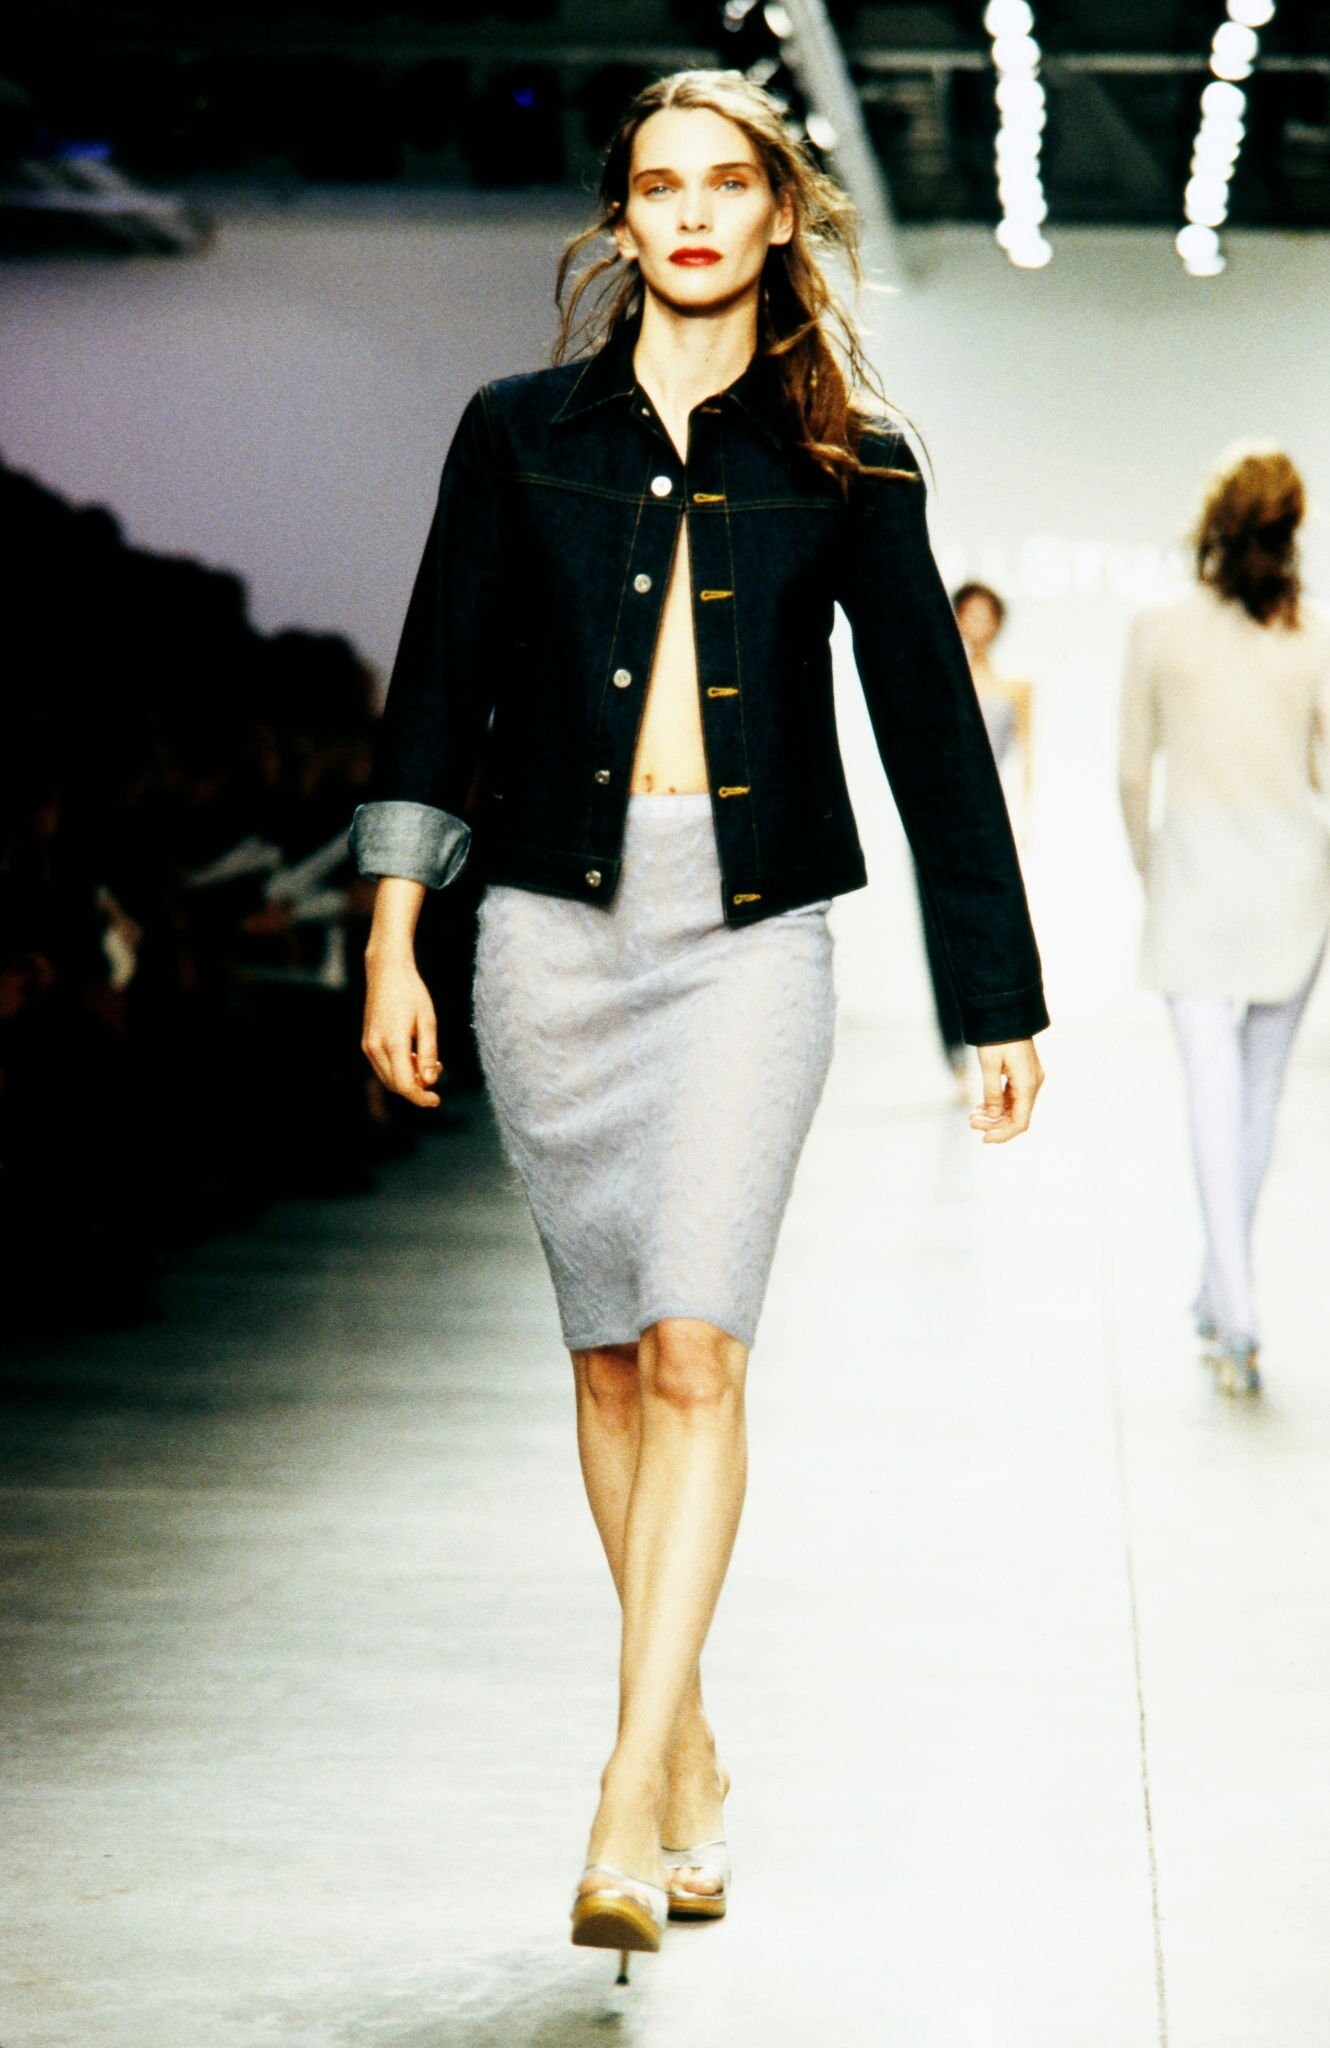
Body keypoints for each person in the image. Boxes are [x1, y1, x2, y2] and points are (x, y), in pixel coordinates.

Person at [350, 68, 1048, 1973]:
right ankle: (691, 1746)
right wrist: (394, 934)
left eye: (724, 183)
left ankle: (618, 1797)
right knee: (602, 1364)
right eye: (656, 185)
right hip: (545, 933)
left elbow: (931, 733)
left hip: (750, 940)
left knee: (693, 1355)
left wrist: (995, 997)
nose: (687, 213)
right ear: (622, 220)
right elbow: (435, 687)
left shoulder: (850, 460)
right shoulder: (516, 435)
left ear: (774, 214)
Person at [1119, 444, 1330, 1398]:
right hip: (1294, 878)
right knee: (1258, 1097)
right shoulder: (1313, 634)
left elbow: (1132, 773)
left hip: (1195, 874)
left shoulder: (1157, 626)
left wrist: (1150, 866)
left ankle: (1233, 1306)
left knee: (1211, 1096)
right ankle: (1225, 1297)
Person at [915, 581, 1033, 1093]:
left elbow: (1027, 761)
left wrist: (1025, 821)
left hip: (990, 822)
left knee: (989, 930)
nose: (976, 624)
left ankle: (994, 1038)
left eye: (985, 614)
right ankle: (954, 1047)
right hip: (938, 819)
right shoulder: (939, 684)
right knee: (939, 932)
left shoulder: (1016, 689)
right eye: (967, 613)